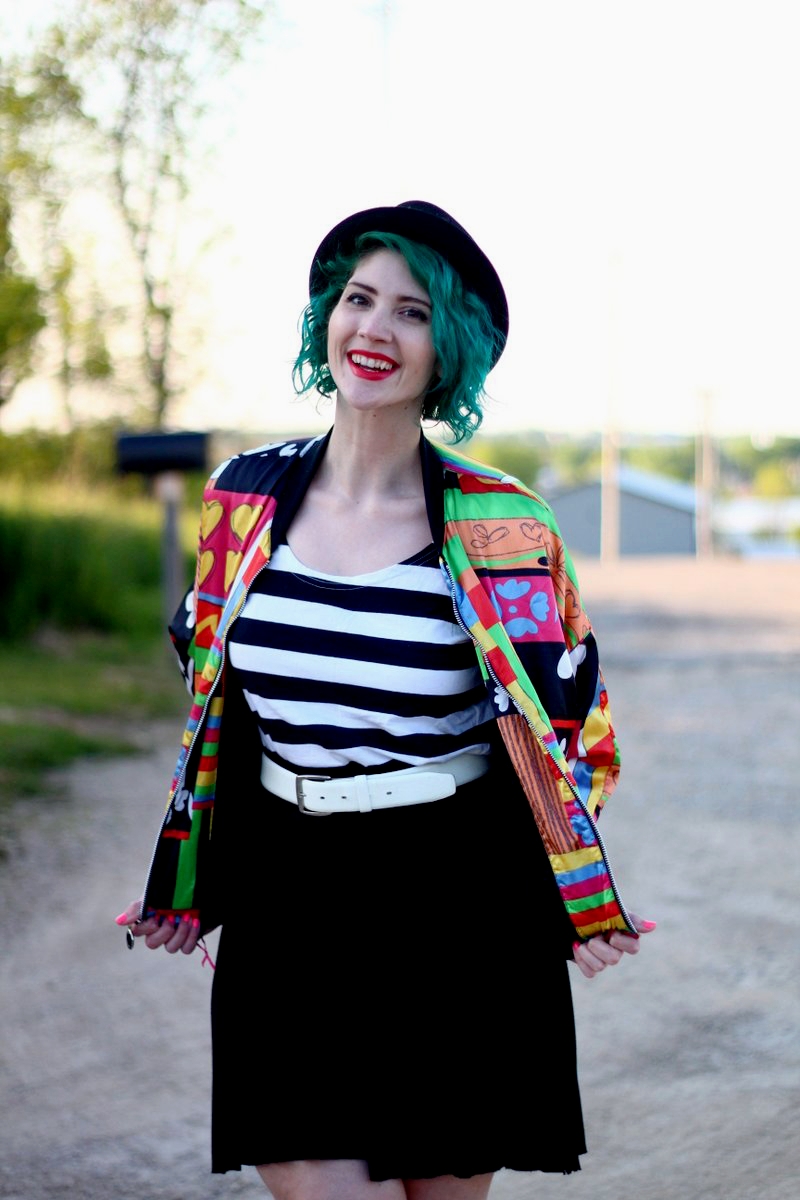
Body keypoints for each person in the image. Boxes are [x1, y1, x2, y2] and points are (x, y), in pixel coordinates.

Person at [117, 200, 655, 1200]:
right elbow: (214, 700)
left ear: (445, 348)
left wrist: (568, 889)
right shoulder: (241, 496)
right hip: (291, 905)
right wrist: (194, 873)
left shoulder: (505, 522)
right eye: (357, 299)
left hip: (457, 910)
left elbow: (571, 720)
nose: (374, 329)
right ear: (327, 316)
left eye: (411, 313)